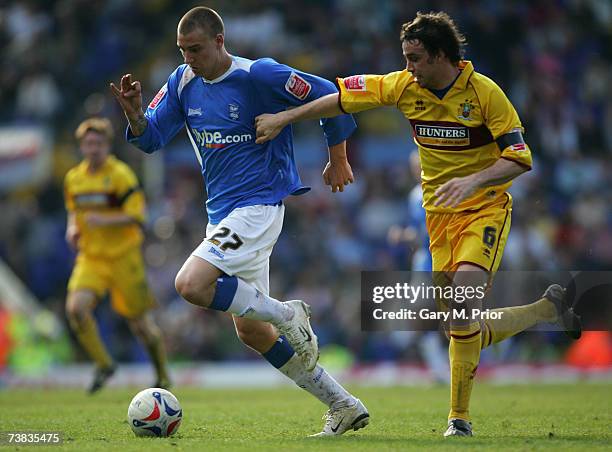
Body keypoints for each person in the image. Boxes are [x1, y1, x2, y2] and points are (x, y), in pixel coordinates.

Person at [254, 11, 581, 437]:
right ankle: (546, 308)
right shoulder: (405, 87)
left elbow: (520, 157)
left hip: (484, 211)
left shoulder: (485, 95)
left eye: (415, 58)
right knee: (459, 329)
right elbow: (339, 97)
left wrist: (473, 180)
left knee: (462, 310)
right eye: (405, 58)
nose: (408, 67)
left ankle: (458, 421)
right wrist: (283, 120)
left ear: (441, 55)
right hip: (437, 219)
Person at [110, 6, 368, 436]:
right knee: (251, 329)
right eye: (182, 50)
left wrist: (336, 157)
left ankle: (288, 312)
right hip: (223, 214)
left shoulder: (259, 76)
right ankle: (342, 404)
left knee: (190, 284)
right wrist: (135, 114)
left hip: (259, 205)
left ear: (219, 41)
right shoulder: (181, 82)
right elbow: (151, 139)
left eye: (195, 49)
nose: (188, 57)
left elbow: (334, 97)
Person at [64, 117, 171, 393]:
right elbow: (74, 211)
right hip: (92, 258)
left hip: (125, 257)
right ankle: (104, 364)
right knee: (76, 309)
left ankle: (162, 375)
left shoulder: (121, 175)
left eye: (98, 143)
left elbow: (138, 217)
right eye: (88, 143)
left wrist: (104, 220)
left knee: (140, 326)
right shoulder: (74, 179)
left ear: (107, 145)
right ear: (81, 147)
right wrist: (73, 228)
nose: (93, 148)